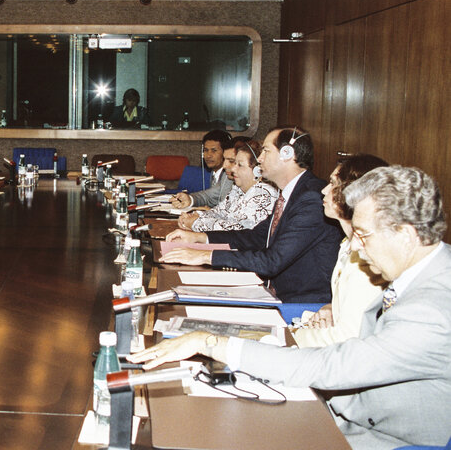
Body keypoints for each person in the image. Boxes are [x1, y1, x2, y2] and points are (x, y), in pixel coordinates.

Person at [130, 165, 451, 450]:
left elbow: (336, 367)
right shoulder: (432, 266)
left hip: (385, 437)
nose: (354, 246)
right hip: (352, 412)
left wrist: (210, 342)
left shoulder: (431, 312)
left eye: (364, 235)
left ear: (406, 235)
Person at [163, 127, 342, 302]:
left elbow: (272, 261)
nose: (260, 158)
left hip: (299, 302)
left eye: (266, 151)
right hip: (277, 293)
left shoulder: (310, 198)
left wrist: (203, 256)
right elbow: (256, 236)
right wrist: (199, 238)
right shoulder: (292, 193)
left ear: (287, 154)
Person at [293, 154, 387, 347]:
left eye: (333, 184)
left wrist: (290, 336)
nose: (324, 190)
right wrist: (331, 308)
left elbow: (348, 339)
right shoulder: (347, 244)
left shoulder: (367, 260)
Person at [180, 140, 279, 232]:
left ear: (257, 170)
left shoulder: (263, 194)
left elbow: (240, 229)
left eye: (239, 165)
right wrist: (195, 216)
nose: (233, 169)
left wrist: (196, 223)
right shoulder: (237, 190)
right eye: (235, 163)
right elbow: (219, 212)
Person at [170, 129, 233, 208]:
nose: (208, 155)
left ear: (225, 152)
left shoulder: (229, 176)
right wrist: (190, 199)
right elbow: (210, 196)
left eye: (214, 151)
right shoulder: (213, 174)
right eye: (206, 150)